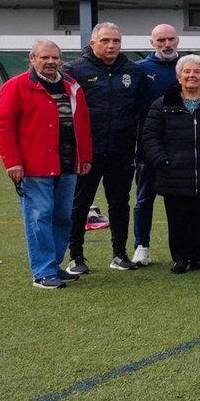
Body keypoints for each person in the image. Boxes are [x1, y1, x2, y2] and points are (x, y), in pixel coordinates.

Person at [0, 40, 93, 289]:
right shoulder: (15, 87)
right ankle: (43, 271)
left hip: (69, 165)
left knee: (62, 217)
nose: (51, 62)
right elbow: (3, 128)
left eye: (55, 57)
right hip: (34, 167)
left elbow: (83, 125)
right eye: (45, 57)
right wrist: (12, 162)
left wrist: (86, 157)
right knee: (39, 217)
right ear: (32, 58)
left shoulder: (72, 86)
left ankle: (54, 265)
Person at [141, 55, 200, 275]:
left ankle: (198, 257)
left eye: (196, 72)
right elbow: (150, 135)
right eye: (187, 71)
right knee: (178, 218)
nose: (191, 75)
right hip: (173, 171)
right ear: (179, 76)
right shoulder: (163, 104)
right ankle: (181, 258)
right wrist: (162, 160)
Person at [65, 23, 147, 273]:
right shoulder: (74, 70)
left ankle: (119, 254)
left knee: (120, 202)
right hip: (87, 152)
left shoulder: (132, 70)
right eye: (105, 41)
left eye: (116, 41)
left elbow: (141, 110)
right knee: (80, 203)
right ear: (93, 43)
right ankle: (76, 257)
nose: (111, 46)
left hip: (122, 150)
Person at [130, 22, 182, 268]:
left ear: (178, 40)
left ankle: (183, 248)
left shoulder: (189, 66)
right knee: (144, 198)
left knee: (182, 199)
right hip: (148, 146)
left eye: (170, 39)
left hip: (182, 145)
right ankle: (142, 246)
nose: (167, 44)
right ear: (152, 43)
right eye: (161, 40)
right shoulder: (140, 69)